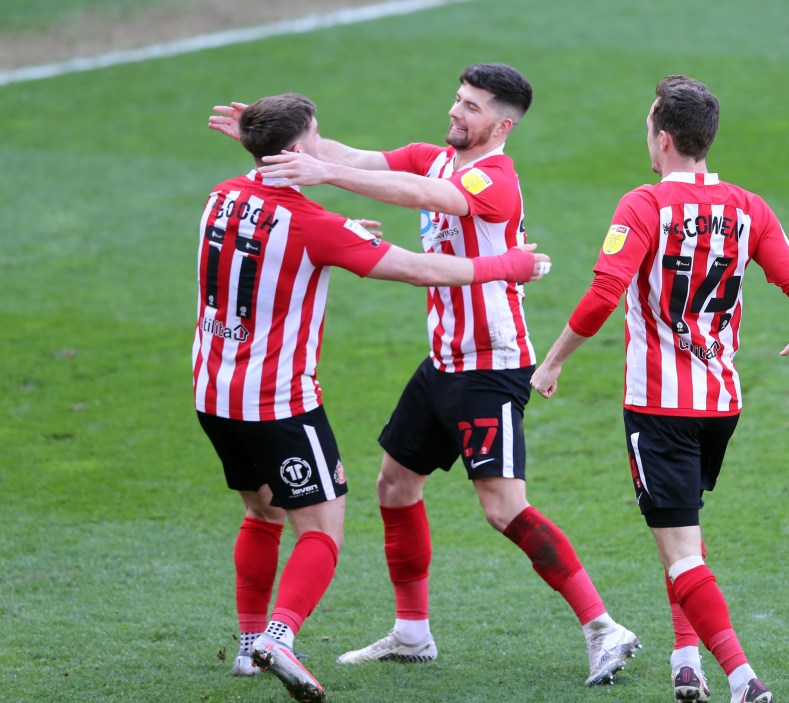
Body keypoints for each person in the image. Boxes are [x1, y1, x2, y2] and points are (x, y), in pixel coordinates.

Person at [209, 63, 639, 686]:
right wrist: (272, 138)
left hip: (490, 366)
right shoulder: (432, 156)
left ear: (502, 124)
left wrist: (322, 173)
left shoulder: (496, 181)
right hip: (443, 361)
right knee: (395, 485)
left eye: (470, 107)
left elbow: (425, 198)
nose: (455, 112)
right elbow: (344, 152)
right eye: (457, 100)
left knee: (502, 509)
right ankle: (412, 633)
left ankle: (604, 628)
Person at [530, 75, 789, 703]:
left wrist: (552, 361)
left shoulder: (643, 205)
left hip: (660, 407)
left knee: (683, 551)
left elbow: (604, 296)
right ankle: (684, 658)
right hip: (721, 404)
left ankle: (743, 679)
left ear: (663, 139)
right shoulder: (749, 206)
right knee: (682, 532)